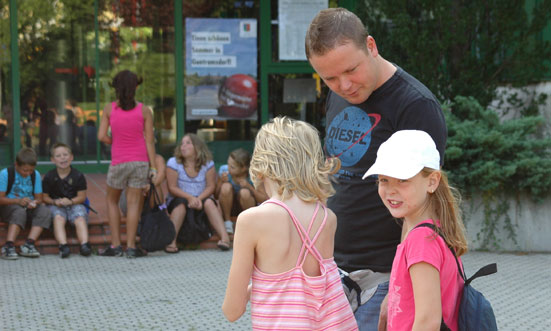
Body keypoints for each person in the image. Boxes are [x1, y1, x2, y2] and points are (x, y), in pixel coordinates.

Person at [305, 8, 448, 329]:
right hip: (334, 272)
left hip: (384, 277)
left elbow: (427, 203)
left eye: (351, 70)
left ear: (371, 46)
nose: (343, 85)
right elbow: (335, 173)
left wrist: (401, 286)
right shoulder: (339, 94)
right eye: (329, 78)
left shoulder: (415, 105)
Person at [222, 117, 358, 330]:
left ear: (260, 165)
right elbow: (306, 287)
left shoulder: (251, 220)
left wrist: (251, 290)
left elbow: (232, 311)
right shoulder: (326, 217)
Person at [362, 130, 466, 330]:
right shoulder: (433, 231)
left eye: (403, 180)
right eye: (384, 179)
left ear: (432, 181)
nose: (391, 189)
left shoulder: (422, 241)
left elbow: (428, 321)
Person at [97, 70, 157, 258]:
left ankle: (115, 246)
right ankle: (131, 247)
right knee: (133, 205)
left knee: (112, 201)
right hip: (140, 162)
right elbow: (149, 140)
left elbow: (101, 136)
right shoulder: (144, 110)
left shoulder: (109, 109)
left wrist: (114, 142)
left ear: (116, 87)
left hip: (119, 162)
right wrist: (153, 167)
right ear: (135, 87)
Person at [165, 133, 230, 253]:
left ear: (197, 147)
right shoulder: (173, 162)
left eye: (188, 143)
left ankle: (225, 238)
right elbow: (172, 188)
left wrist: (198, 199)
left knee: (209, 203)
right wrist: (190, 198)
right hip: (180, 198)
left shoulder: (207, 163)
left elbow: (211, 186)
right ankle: (171, 241)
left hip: (202, 197)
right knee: (180, 205)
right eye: (182, 144)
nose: (183, 146)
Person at [0, 147, 51, 260]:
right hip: (9, 207)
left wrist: (34, 203)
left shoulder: (35, 174)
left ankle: (29, 244)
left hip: (28, 207)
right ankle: (8, 246)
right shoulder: (5, 174)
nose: (28, 173)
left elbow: (39, 198)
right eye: (25, 170)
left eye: (31, 170)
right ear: (16, 164)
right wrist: (17, 201)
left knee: (45, 211)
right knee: (19, 212)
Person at [42, 143, 91, 258]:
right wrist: (54, 202)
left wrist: (71, 201)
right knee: (58, 218)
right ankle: (63, 246)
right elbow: (44, 197)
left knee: (79, 217)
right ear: (53, 160)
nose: (62, 158)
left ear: (71, 157)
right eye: (58, 156)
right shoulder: (49, 176)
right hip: (56, 205)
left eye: (65, 155)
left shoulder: (78, 175)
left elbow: (82, 197)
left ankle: (85, 244)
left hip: (74, 203)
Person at [215, 148, 268, 234]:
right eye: (228, 164)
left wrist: (249, 187)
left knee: (245, 192)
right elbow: (216, 195)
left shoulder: (253, 175)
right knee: (226, 186)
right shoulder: (224, 170)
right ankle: (228, 223)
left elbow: (263, 199)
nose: (228, 168)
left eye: (232, 167)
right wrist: (221, 181)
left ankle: (250, 223)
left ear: (243, 168)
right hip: (228, 207)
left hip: (247, 205)